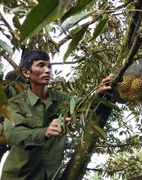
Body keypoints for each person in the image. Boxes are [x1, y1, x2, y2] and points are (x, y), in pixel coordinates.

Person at [1, 50, 112, 180]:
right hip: (19, 176)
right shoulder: (15, 104)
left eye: (49, 66)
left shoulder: (61, 99)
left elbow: (85, 105)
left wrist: (99, 93)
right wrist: (45, 132)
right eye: (41, 65)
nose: (47, 70)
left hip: (51, 176)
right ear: (26, 72)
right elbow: (14, 133)